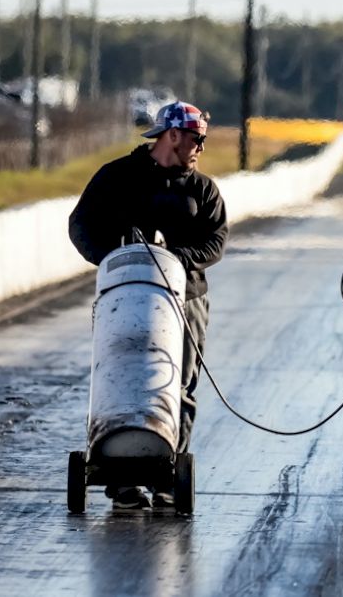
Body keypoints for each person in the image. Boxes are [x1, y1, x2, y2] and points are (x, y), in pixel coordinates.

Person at [68, 101, 227, 509]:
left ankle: (167, 477)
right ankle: (122, 479)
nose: (200, 149)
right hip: (125, 296)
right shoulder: (117, 177)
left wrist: (176, 257)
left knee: (179, 384)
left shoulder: (203, 189)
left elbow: (216, 240)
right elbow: (81, 223)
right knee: (121, 376)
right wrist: (110, 258)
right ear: (172, 135)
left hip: (185, 299)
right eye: (197, 139)